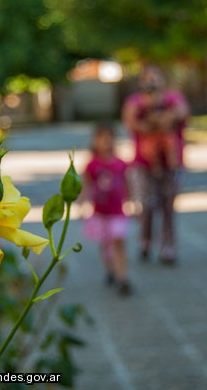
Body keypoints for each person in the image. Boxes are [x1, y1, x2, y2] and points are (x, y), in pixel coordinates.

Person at [121, 65, 190, 264]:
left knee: (168, 205)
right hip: (144, 164)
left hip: (170, 163)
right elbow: (135, 123)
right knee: (146, 205)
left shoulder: (173, 98)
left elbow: (180, 114)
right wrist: (158, 120)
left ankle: (168, 245)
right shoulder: (135, 102)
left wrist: (157, 120)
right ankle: (145, 240)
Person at [81, 124, 132, 295]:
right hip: (100, 213)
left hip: (117, 212)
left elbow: (127, 184)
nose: (106, 142)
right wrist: (81, 204)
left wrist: (132, 202)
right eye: (102, 138)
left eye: (110, 137)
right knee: (106, 244)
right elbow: (85, 186)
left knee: (118, 241)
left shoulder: (120, 164)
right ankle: (110, 270)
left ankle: (122, 277)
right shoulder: (92, 165)